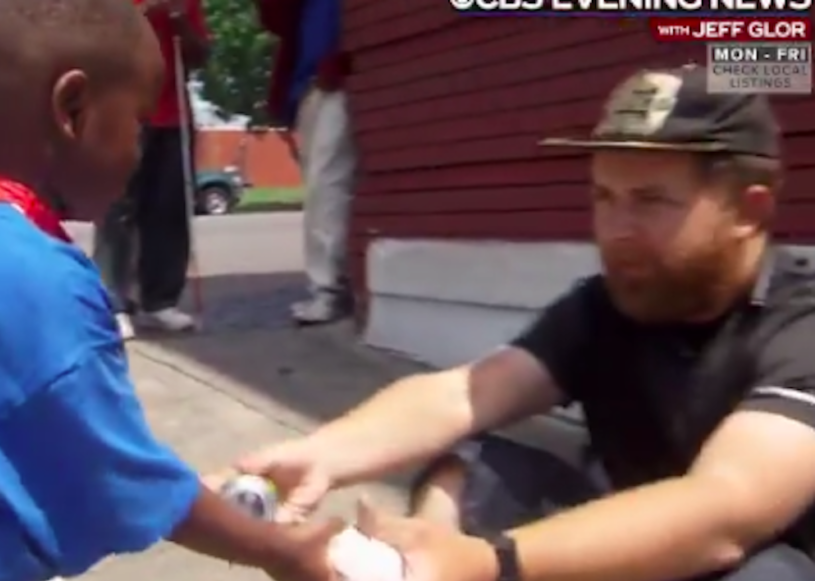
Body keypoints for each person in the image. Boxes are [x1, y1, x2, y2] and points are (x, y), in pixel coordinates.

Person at [0, 1, 343, 580]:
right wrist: (279, 551)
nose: (137, 149)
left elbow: (25, 435)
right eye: (134, 122)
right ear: (72, 109)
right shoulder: (41, 278)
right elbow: (123, 480)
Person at [232, 65, 815, 581]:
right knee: (469, 466)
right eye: (603, 196)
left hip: (750, 556)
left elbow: (724, 511)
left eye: (651, 201)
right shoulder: (613, 302)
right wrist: (322, 456)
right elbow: (466, 393)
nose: (615, 229)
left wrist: (494, 563)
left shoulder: (801, 320)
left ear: (749, 211)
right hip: (637, 552)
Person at [92, 0, 209, 337]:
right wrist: (143, 15)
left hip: (172, 117)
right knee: (118, 210)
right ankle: (113, 304)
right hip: (123, 113)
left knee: (169, 209)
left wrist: (180, 20)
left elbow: (199, 56)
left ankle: (160, 301)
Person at [254, 0, 357, 325]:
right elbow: (274, 19)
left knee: (327, 182)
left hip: (335, 79)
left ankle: (330, 289)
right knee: (321, 183)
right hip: (308, 84)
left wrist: (337, 62)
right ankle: (327, 286)